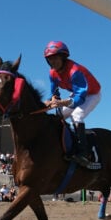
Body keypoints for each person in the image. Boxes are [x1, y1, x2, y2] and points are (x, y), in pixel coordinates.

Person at [43, 40, 102, 168]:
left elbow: (80, 98)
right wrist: (50, 100)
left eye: (56, 58)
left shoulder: (74, 71)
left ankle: (83, 152)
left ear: (63, 57)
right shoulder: (52, 73)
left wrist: (60, 102)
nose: (53, 62)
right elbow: (54, 93)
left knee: (76, 116)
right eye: (50, 59)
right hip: (76, 94)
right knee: (59, 117)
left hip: (91, 94)